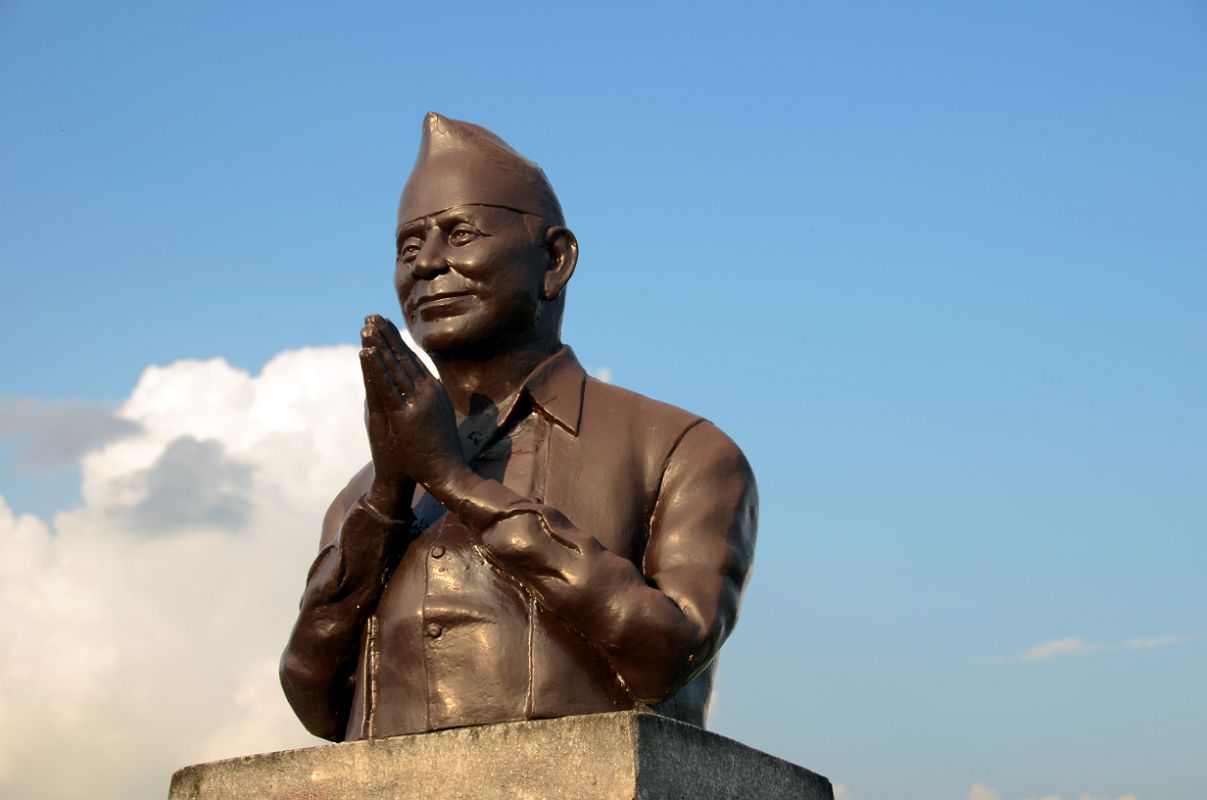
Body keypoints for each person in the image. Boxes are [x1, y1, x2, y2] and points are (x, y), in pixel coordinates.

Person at [280, 113, 758, 742]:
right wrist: (389, 497)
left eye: (460, 234)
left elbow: (668, 653)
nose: (426, 264)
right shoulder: (368, 495)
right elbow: (314, 701)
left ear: (554, 261)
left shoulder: (679, 452)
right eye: (408, 247)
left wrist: (459, 484)